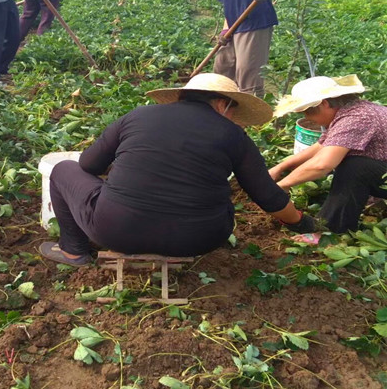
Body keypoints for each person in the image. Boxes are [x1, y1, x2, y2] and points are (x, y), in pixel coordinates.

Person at [39, 73, 313, 267]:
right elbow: (266, 195)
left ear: (181, 97)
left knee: (64, 169)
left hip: (115, 230)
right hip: (200, 238)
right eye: (232, 112)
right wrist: (300, 222)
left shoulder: (138, 116)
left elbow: (88, 165)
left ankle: (74, 252)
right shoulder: (234, 136)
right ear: (222, 104)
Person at [271, 75, 387, 233]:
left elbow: (323, 164)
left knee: (355, 167)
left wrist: (282, 185)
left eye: (308, 113)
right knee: (352, 165)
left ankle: (329, 231)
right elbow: (321, 146)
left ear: (324, 103)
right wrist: (280, 168)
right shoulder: (350, 112)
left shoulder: (357, 118)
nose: (307, 118)